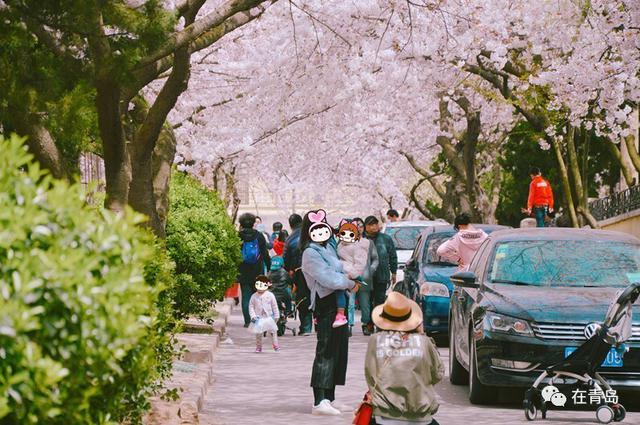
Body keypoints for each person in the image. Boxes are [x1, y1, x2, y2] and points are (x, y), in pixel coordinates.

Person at [301, 209, 360, 416]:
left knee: (337, 350)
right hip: (326, 303)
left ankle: (329, 397)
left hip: (337, 301)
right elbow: (328, 278)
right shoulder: (310, 253)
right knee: (326, 350)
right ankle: (319, 400)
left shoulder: (328, 247)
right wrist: (350, 283)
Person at [365, 292, 443, 425]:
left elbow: (370, 376)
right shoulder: (424, 342)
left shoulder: (374, 341)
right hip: (420, 416)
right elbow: (437, 374)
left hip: (383, 417)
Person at [336, 219, 379, 336]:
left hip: (364, 277)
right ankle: (349, 324)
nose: (358, 228)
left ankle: (365, 324)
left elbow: (375, 258)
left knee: (365, 304)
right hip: (349, 277)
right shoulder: (342, 243)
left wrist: (371, 270)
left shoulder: (367, 242)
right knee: (349, 302)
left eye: (360, 226)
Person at [238, 212, 271, 327]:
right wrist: (269, 265)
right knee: (258, 295)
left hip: (243, 270)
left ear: (241, 223)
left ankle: (248, 321)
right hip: (257, 269)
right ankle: (257, 319)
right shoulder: (259, 236)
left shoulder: (238, 236)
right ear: (253, 223)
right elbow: (265, 253)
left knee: (246, 296)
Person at [283, 213, 313, 335]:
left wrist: (288, 271)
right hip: (315, 269)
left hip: (299, 271)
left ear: (290, 225)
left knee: (303, 297)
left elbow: (286, 257)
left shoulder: (290, 238)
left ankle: (306, 327)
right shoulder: (311, 234)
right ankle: (317, 324)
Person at [364, 216, 397, 322]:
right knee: (366, 301)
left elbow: (393, 255)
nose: (374, 226)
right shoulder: (361, 239)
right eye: (371, 224)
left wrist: (394, 272)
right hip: (366, 276)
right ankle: (368, 323)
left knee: (380, 300)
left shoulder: (386, 238)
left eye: (376, 224)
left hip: (382, 275)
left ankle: (378, 322)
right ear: (366, 227)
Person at [248, 275, 280, 353]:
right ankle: (259, 346)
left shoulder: (270, 295)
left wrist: (276, 315)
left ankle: (275, 345)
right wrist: (253, 316)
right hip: (259, 318)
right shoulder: (254, 296)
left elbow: (274, 306)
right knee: (258, 333)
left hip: (269, 317)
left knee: (273, 331)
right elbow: (251, 307)